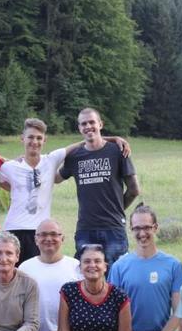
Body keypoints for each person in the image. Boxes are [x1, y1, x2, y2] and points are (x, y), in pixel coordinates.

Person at [0, 118, 130, 262]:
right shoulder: (10, 166)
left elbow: (84, 142)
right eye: (30, 137)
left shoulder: (51, 159)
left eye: (39, 138)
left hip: (39, 231)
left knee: (36, 274)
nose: (34, 142)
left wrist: (113, 138)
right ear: (22, 139)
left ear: (45, 140)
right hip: (13, 228)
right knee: (10, 273)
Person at [56, 107, 140, 265]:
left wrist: (117, 209)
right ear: (79, 128)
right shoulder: (74, 157)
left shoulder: (118, 150)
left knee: (115, 277)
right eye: (83, 124)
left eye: (92, 122)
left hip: (113, 228)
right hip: (85, 228)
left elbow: (134, 190)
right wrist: (39, 162)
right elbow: (56, 178)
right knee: (87, 277)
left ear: (100, 124)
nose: (88, 126)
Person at [107, 205, 182, 331]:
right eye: (137, 228)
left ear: (155, 228)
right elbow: (113, 311)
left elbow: (179, 312)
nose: (142, 233)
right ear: (130, 229)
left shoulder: (173, 265)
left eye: (146, 227)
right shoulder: (119, 267)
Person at [58, 244, 133, 331]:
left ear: (105, 267)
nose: (92, 265)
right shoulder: (68, 291)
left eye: (97, 261)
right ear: (80, 267)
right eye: (87, 261)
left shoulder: (119, 296)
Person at [18, 219, 80, 331]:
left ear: (62, 239)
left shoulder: (75, 266)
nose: (48, 239)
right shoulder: (25, 267)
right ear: (36, 239)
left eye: (53, 234)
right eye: (43, 234)